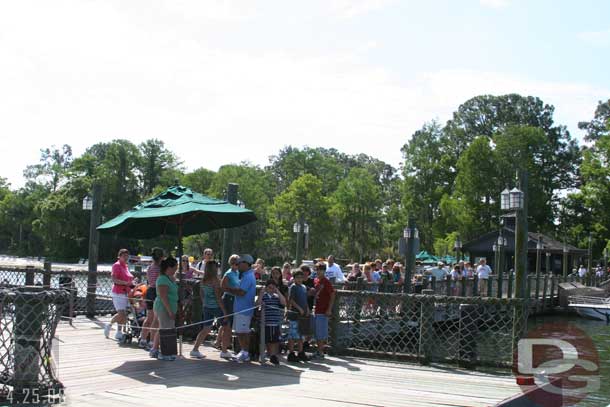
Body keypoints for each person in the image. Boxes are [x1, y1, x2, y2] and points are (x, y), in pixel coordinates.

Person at [190, 261, 228, 359]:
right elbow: (218, 298)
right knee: (226, 327)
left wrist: (204, 303)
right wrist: (224, 311)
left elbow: (201, 294)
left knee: (206, 328)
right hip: (216, 307)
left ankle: (195, 349)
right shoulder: (215, 281)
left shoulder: (203, 281)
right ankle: (224, 351)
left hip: (206, 306)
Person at [150, 256, 179, 361]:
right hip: (163, 307)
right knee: (165, 330)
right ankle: (164, 353)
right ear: (169, 267)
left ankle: (154, 349)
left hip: (170, 306)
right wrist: (170, 311)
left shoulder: (171, 278)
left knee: (164, 328)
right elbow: (163, 296)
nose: (176, 269)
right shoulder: (162, 279)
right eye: (175, 267)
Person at [104, 249, 133, 341]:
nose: (125, 258)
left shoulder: (126, 266)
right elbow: (114, 279)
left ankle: (119, 332)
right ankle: (109, 324)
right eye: (124, 256)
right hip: (118, 292)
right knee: (121, 313)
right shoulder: (116, 265)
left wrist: (132, 283)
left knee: (125, 314)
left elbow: (128, 279)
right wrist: (125, 283)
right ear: (119, 256)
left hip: (127, 292)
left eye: (127, 256)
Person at [232, 254, 257, 362]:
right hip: (241, 308)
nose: (238, 265)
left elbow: (242, 292)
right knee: (239, 331)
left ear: (246, 264)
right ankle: (244, 351)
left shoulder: (248, 276)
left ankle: (245, 352)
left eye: (240, 263)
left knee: (243, 331)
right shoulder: (246, 275)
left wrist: (227, 289)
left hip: (244, 309)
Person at [139, 247, 164, 349]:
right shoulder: (161, 269)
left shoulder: (150, 267)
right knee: (156, 319)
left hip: (150, 291)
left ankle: (143, 339)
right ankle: (152, 341)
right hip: (157, 292)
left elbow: (149, 281)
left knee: (149, 317)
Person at [258, 279, 286, 365]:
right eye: (269, 288)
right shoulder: (264, 296)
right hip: (265, 323)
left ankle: (273, 355)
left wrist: (278, 291)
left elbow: (284, 303)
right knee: (265, 340)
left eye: (273, 288)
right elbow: (257, 304)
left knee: (274, 341)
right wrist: (261, 293)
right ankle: (263, 354)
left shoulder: (276, 297)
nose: (271, 289)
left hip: (275, 323)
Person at [219, 254, 241, 358]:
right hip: (228, 299)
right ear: (231, 264)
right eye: (235, 263)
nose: (237, 265)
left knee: (228, 326)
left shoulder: (237, 273)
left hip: (234, 300)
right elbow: (222, 286)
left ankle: (223, 346)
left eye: (238, 264)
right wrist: (234, 291)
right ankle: (224, 350)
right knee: (227, 326)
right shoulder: (228, 274)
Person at [312, 263, 335, 359]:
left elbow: (333, 294)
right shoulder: (316, 280)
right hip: (316, 309)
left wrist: (329, 309)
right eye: (317, 269)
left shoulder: (326, 282)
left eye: (321, 270)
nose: (318, 271)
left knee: (321, 332)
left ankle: (320, 352)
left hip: (323, 310)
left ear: (324, 271)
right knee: (317, 332)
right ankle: (318, 350)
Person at [287, 269, 309, 363]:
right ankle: (291, 353)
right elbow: (291, 300)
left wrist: (307, 309)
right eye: (297, 277)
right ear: (294, 278)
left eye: (301, 277)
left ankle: (300, 352)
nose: (299, 279)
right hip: (295, 314)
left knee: (301, 335)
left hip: (303, 315)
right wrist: (299, 308)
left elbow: (305, 300)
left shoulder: (304, 287)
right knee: (292, 335)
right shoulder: (293, 287)